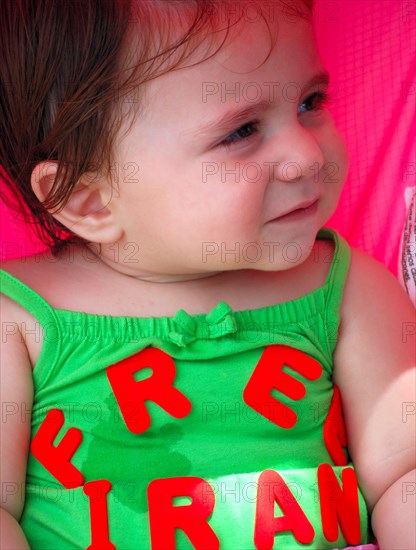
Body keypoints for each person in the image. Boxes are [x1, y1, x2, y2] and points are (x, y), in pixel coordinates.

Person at [0, 0, 414, 549]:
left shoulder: (346, 289)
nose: (306, 154)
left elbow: (404, 474)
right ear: (89, 199)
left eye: (310, 102)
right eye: (241, 130)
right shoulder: (21, 320)